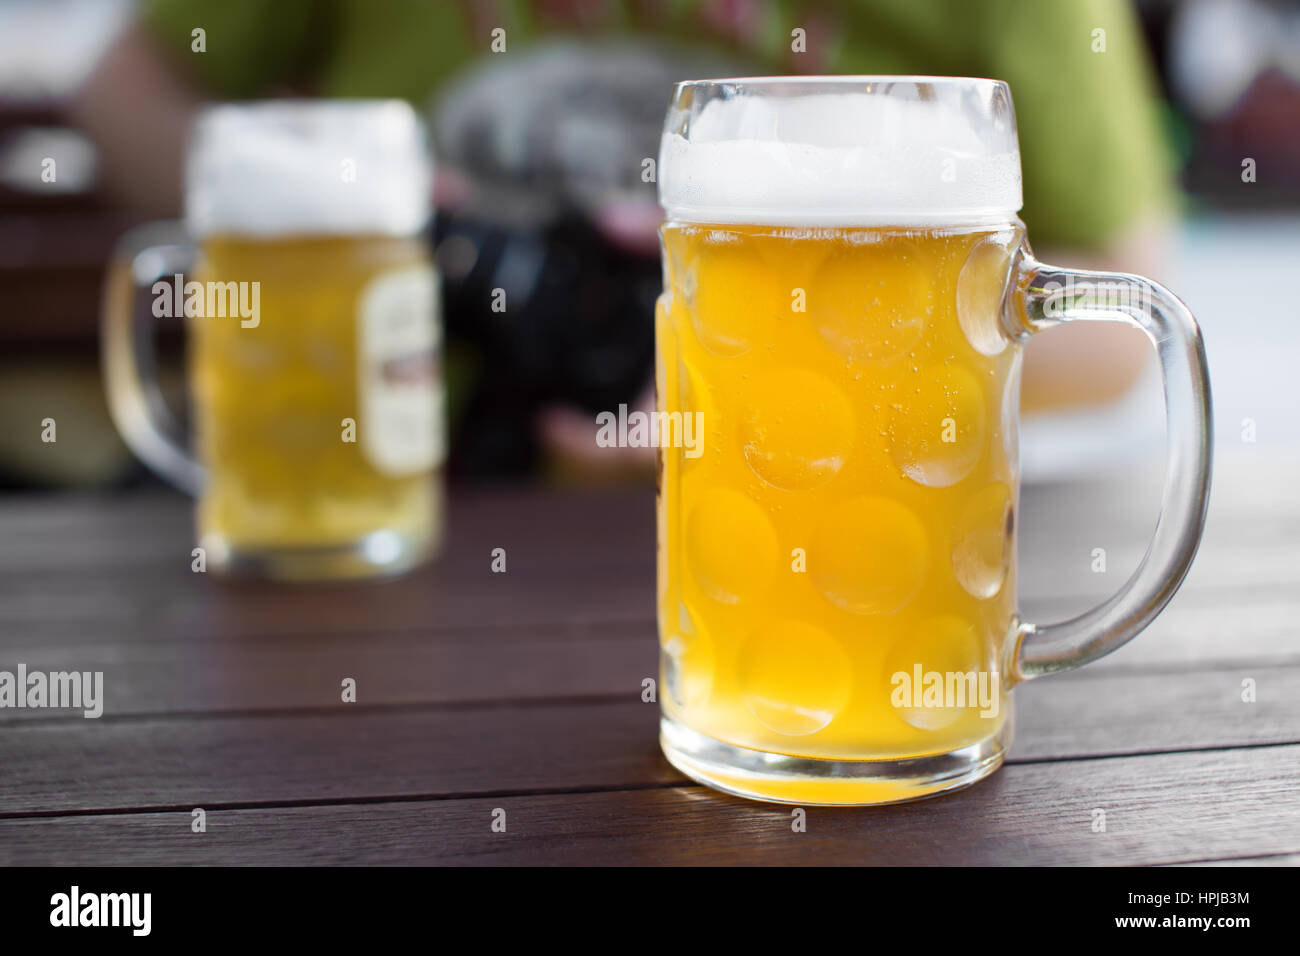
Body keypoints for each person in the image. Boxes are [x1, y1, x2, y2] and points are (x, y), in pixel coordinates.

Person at [66, 0, 1176, 479]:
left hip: (801, 523)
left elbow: (1122, 312)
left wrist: (773, 390)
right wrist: (359, 214)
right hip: (386, 500)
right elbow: (127, 89)